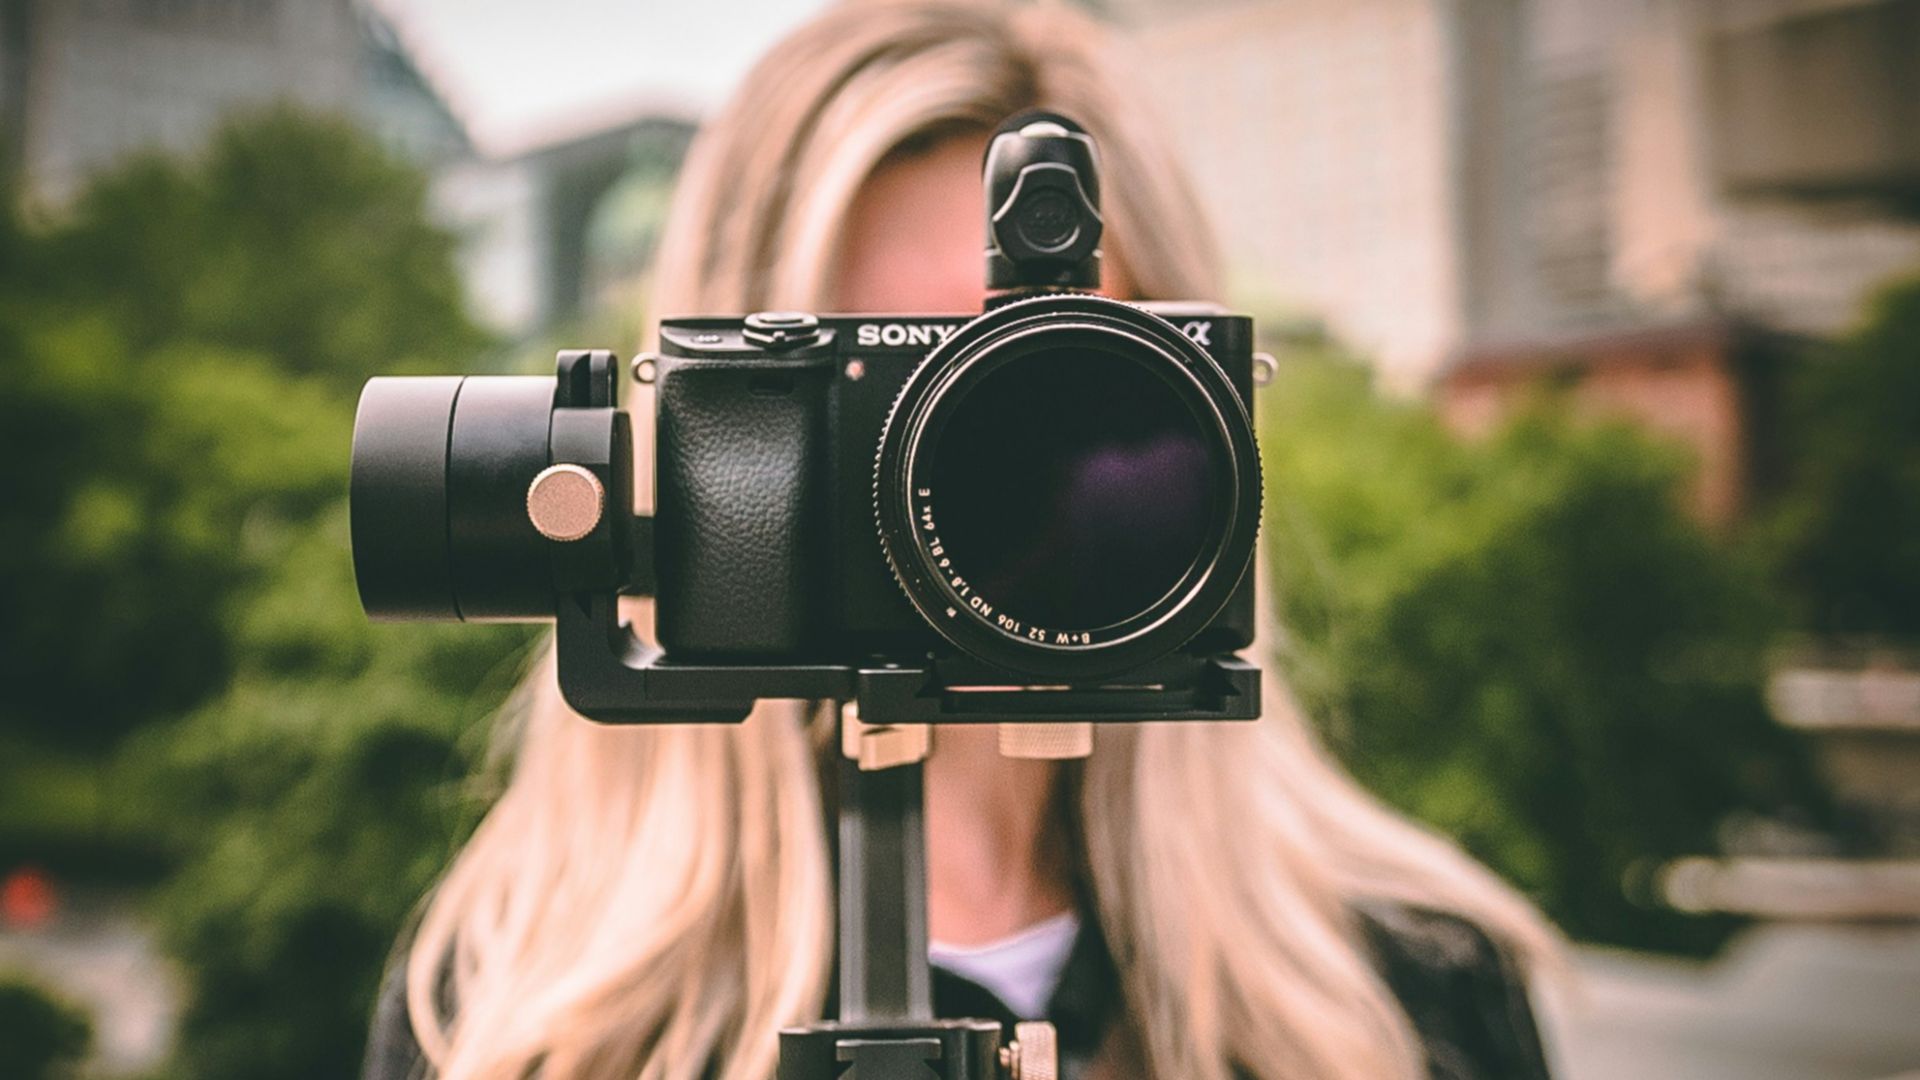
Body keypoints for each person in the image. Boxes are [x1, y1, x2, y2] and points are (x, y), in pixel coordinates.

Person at [363, 2, 1560, 1078]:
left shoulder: (1419, 990)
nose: (988, 480)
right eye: (895, 390)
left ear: (1211, 417)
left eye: (1050, 385)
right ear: (697, 434)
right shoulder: (519, 1014)